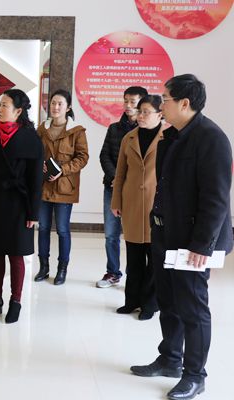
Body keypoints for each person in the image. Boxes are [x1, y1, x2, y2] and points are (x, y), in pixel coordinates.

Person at [130, 74, 233, 400]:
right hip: (166, 234)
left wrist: (202, 245)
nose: (161, 105)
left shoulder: (211, 138)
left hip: (192, 242)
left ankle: (195, 376)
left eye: (166, 99)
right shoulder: (171, 135)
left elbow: (216, 199)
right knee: (169, 302)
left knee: (193, 308)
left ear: (184, 103)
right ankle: (170, 360)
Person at [0, 89, 43, 323]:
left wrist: (33, 212)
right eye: (0, 104)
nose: (0, 109)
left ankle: (16, 301)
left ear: (18, 111)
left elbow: (36, 179)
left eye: (5, 105)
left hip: (19, 205)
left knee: (16, 255)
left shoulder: (31, 138)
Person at [111, 95, 165, 320]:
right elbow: (120, 173)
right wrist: (116, 201)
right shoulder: (129, 137)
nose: (140, 116)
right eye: (139, 111)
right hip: (132, 203)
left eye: (146, 112)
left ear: (160, 115)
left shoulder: (168, 137)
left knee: (154, 260)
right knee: (134, 258)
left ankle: (150, 304)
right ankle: (131, 301)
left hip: (156, 205)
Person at [35, 89, 88, 285]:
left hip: (65, 187)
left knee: (63, 230)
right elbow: (34, 153)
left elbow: (83, 157)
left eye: (60, 104)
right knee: (43, 228)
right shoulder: (41, 129)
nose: (55, 107)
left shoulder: (77, 131)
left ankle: (62, 269)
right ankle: (43, 268)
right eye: (53, 103)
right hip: (44, 186)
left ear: (68, 107)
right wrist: (39, 164)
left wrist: (63, 170)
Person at [97, 86, 148, 288]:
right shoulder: (114, 129)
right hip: (112, 187)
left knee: (138, 235)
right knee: (111, 234)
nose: (127, 105)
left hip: (137, 191)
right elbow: (105, 156)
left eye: (132, 101)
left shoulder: (148, 131)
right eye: (125, 100)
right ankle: (113, 272)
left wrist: (128, 181)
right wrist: (115, 178)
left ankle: (136, 277)